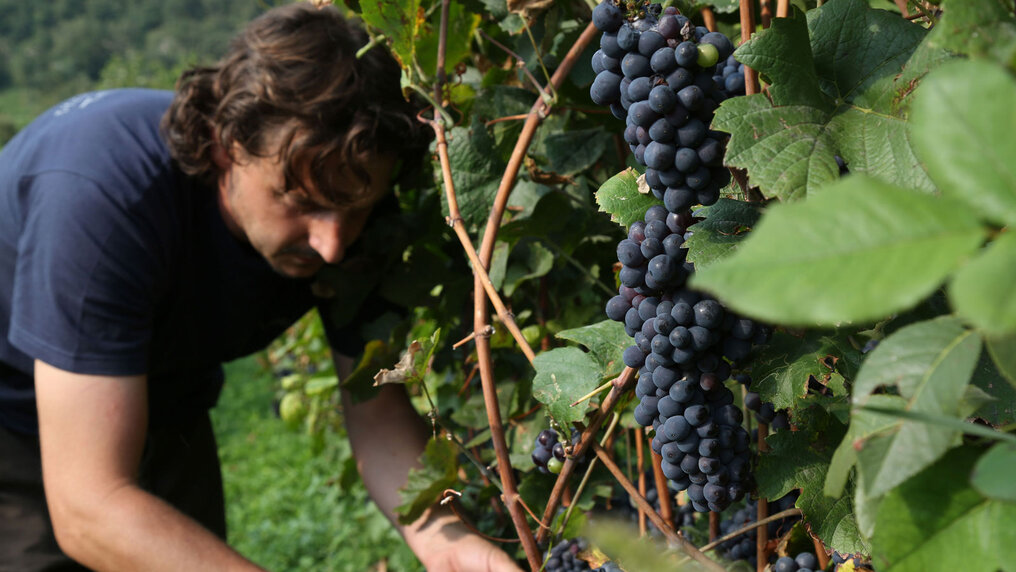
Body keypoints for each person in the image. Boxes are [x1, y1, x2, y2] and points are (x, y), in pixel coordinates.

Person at [0, 3, 522, 571]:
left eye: (353, 210)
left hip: (164, 397)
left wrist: (451, 545)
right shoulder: (105, 202)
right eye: (302, 204)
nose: (332, 246)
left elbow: (376, 413)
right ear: (226, 145)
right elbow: (89, 507)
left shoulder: (353, 214)